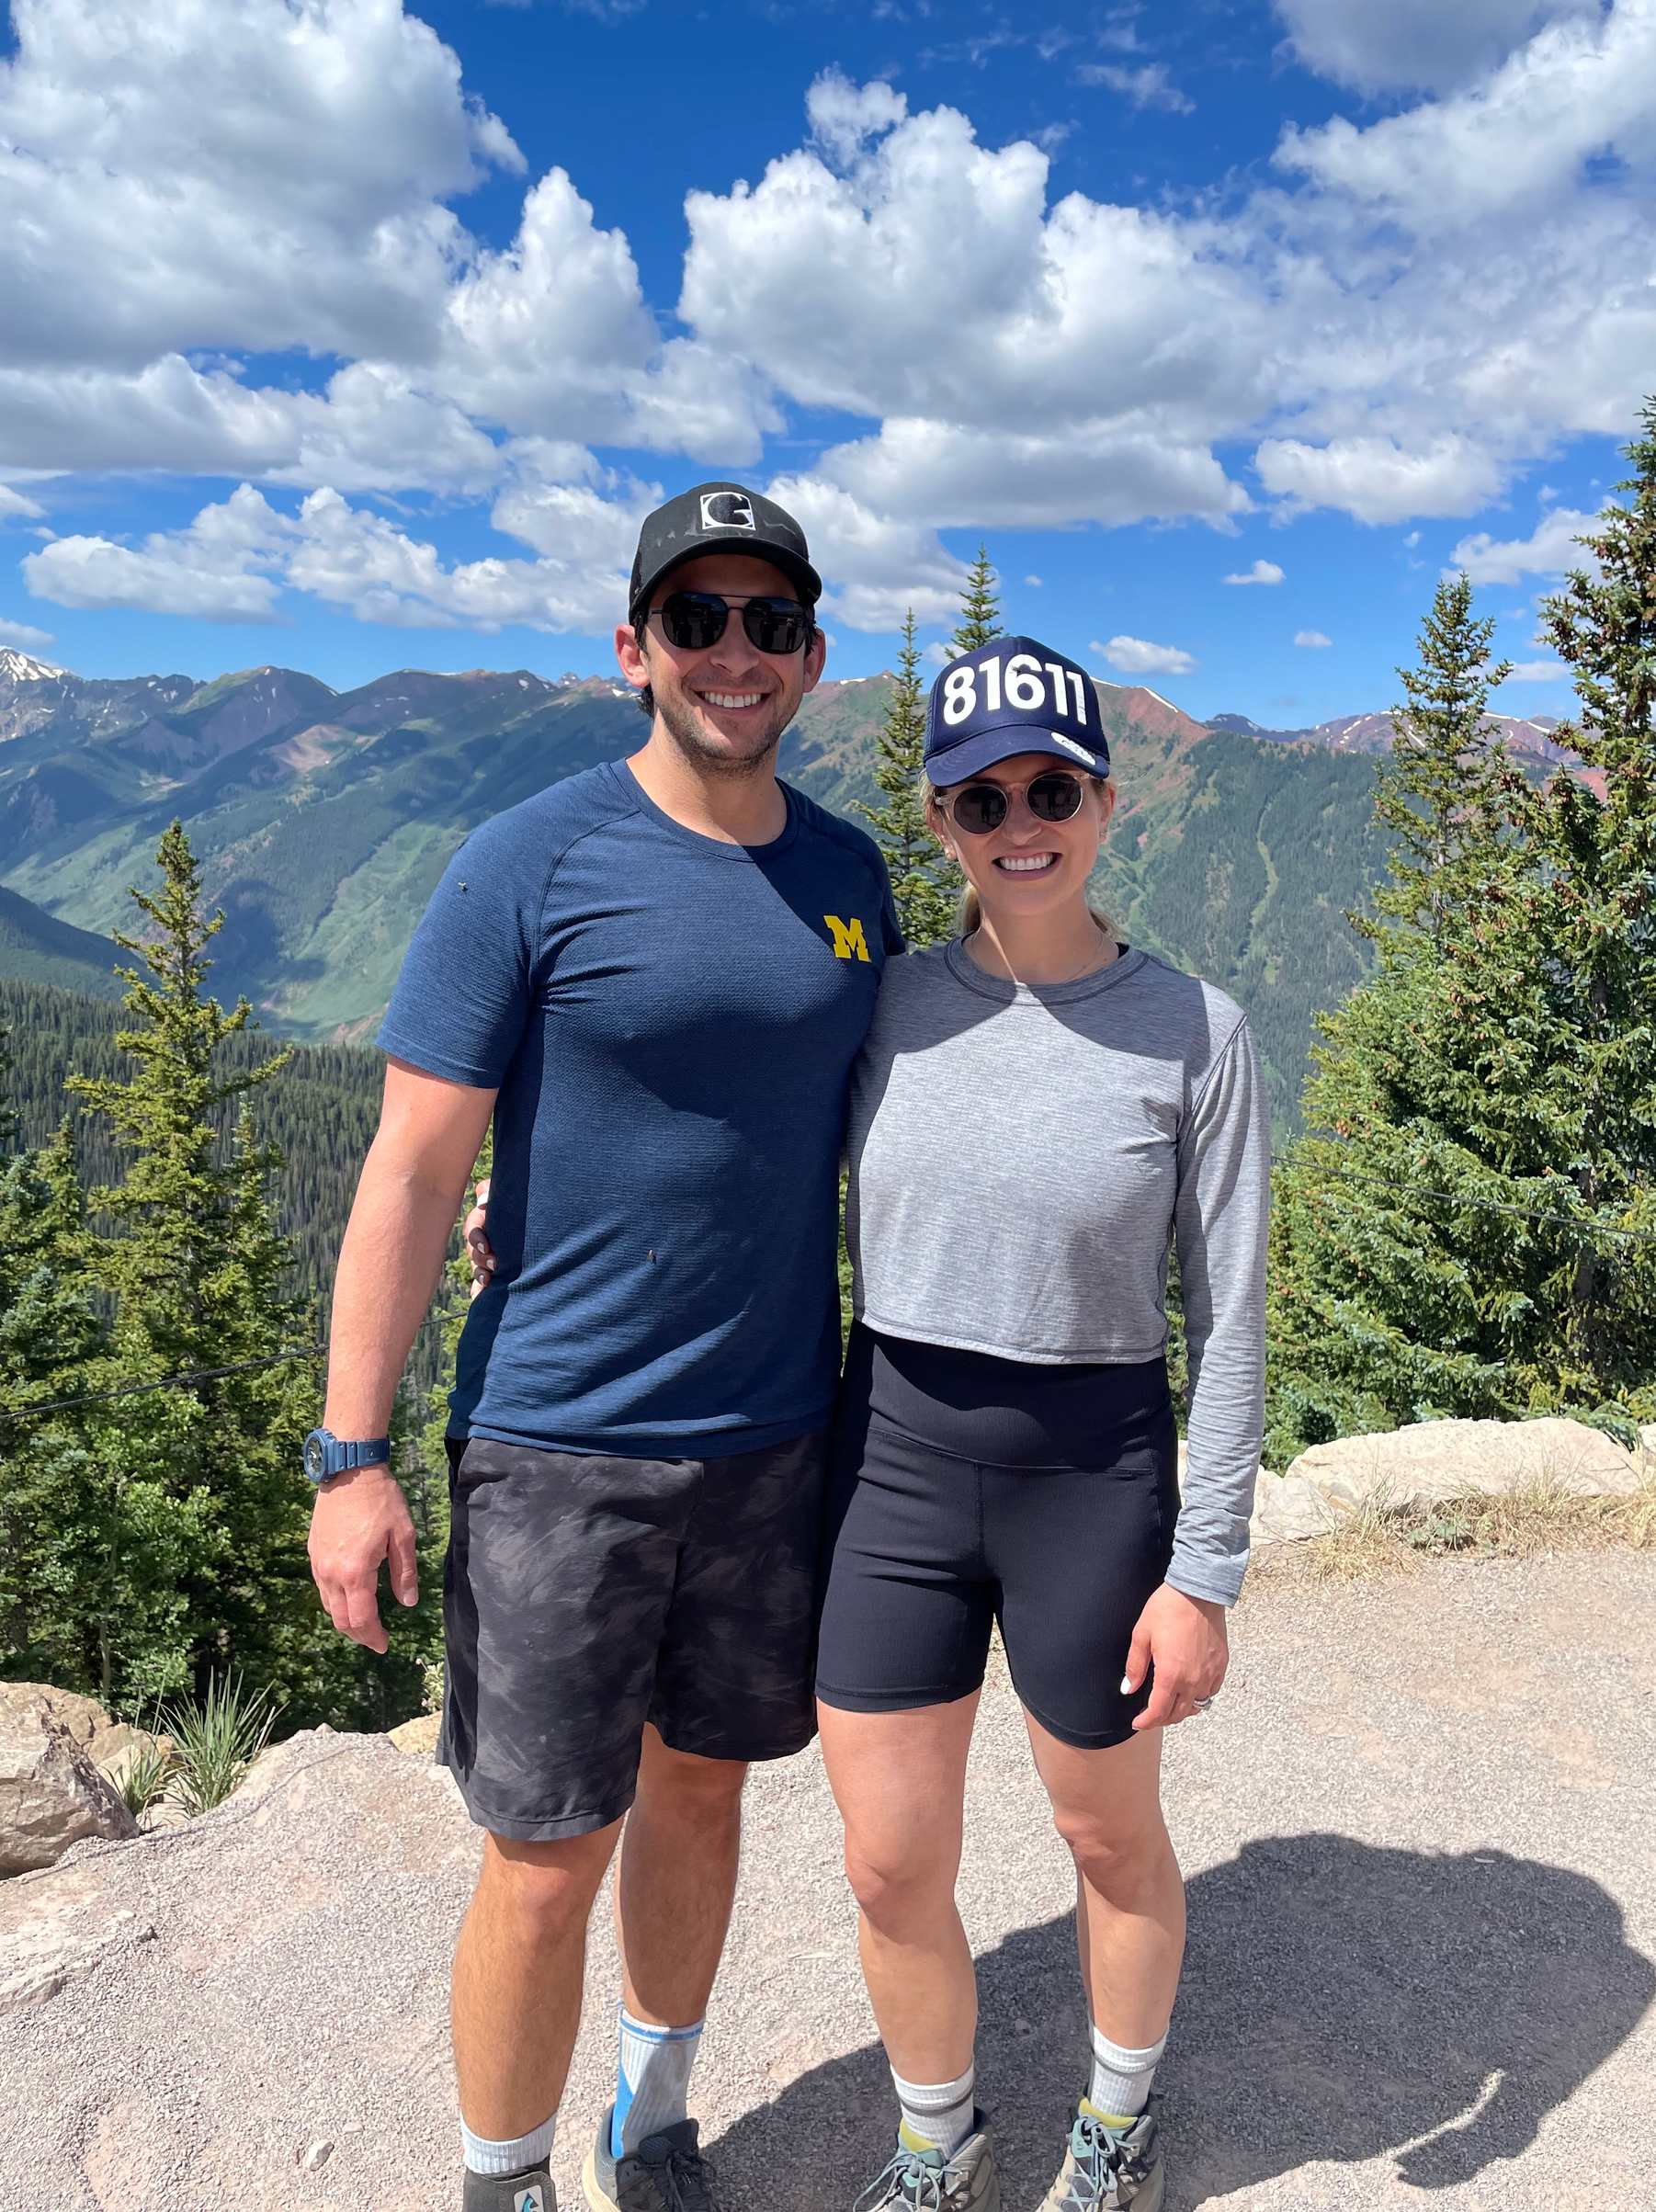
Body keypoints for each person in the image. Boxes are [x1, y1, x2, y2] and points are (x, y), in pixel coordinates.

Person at [303, 480, 901, 2212]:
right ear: (632, 649)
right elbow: (415, 1168)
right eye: (696, 619)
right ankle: (503, 2180)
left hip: (775, 1432)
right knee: (547, 1856)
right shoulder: (530, 858)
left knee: (702, 1796)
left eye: (768, 621)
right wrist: (350, 1458)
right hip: (559, 1444)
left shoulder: (851, 875)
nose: (734, 651)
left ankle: (655, 2119)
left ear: (808, 655)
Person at [816, 635, 1270, 2212]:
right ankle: (938, 2141)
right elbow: (719, 1155)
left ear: (1105, 802)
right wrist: (518, 1208)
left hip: (1093, 1470)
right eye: (979, 795)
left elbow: (1228, 1318)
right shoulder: (876, 1008)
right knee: (885, 1856)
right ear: (938, 820)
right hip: (890, 1452)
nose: (1020, 820)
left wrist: (1203, 1566)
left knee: (1102, 1832)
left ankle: (1115, 2122)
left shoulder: (1196, 1033)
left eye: (1051, 787)